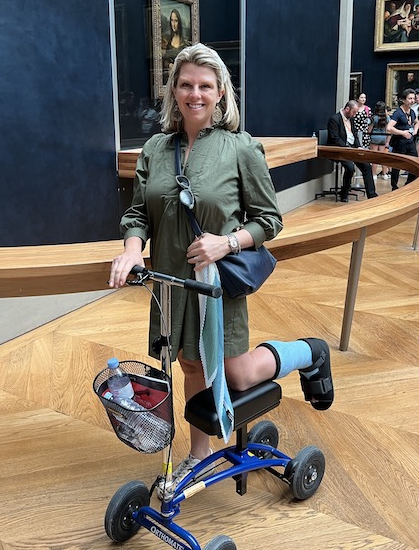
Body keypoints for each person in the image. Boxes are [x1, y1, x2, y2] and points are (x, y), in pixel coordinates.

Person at [109, 43, 334, 499]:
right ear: (173, 90)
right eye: (187, 84)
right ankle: (198, 451)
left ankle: (309, 352)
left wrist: (225, 241)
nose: (195, 94)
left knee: (233, 374)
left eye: (205, 86)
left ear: (221, 93)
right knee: (190, 363)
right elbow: (137, 214)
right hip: (172, 283)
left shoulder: (240, 148)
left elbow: (270, 220)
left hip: (216, 287)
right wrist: (133, 250)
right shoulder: (154, 148)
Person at [327, 101, 378, 202]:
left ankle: (372, 195)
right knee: (350, 168)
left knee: (367, 166)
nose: (354, 115)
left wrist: (358, 146)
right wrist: (347, 148)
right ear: (347, 109)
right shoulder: (335, 119)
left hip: (351, 149)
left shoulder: (352, 119)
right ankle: (344, 193)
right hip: (339, 150)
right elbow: (335, 138)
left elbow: (354, 135)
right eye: (353, 112)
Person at [386, 88, 419, 190]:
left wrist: (415, 131)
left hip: (410, 142)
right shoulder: (398, 112)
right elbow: (389, 127)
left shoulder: (412, 112)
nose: (412, 101)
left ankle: (408, 184)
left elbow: (416, 122)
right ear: (404, 100)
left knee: (416, 164)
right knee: (397, 165)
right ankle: (394, 186)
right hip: (400, 143)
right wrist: (402, 133)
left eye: (413, 98)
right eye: (409, 98)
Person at [162, 9, 188, 85]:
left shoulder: (185, 43)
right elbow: (161, 60)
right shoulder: (166, 40)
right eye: (172, 20)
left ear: (179, 22)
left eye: (176, 21)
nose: (173, 24)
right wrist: (170, 65)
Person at [368, 100, 390, 179]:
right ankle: (384, 174)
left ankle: (374, 175)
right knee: (382, 157)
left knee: (374, 157)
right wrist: (387, 141)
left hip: (374, 137)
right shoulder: (387, 118)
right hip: (383, 138)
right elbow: (388, 130)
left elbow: (369, 130)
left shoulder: (374, 118)